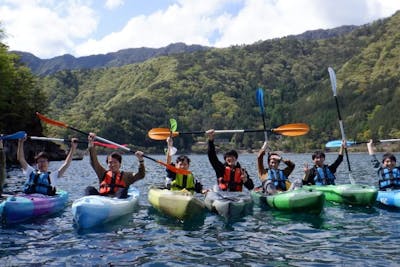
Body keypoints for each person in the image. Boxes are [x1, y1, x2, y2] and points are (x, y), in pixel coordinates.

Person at [85, 133, 145, 198]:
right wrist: (91, 144)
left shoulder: (127, 176)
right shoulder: (102, 173)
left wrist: (141, 160)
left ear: (120, 164)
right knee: (89, 189)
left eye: (115, 162)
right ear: (107, 164)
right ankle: (88, 203)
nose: (112, 165)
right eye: (110, 162)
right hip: (102, 199)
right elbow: (94, 162)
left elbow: (141, 175)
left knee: (123, 189)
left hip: (117, 200)